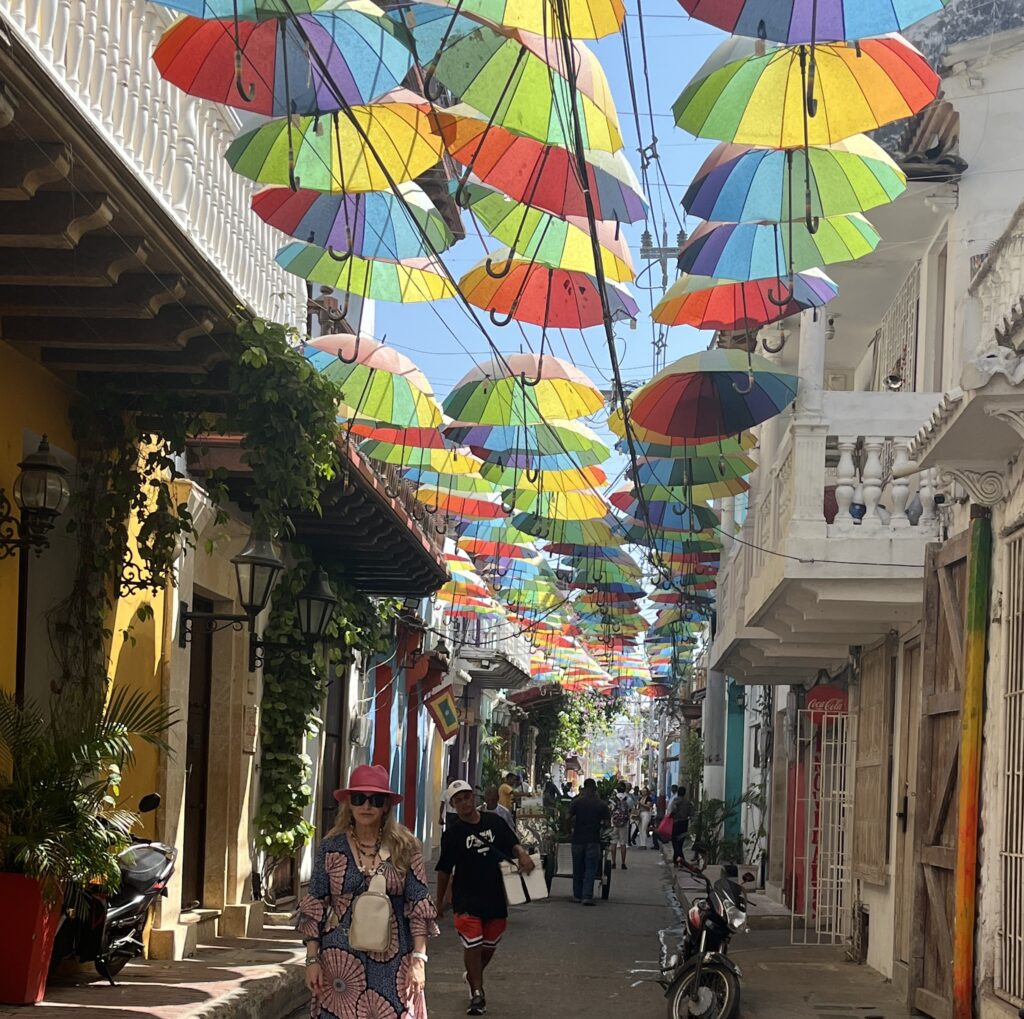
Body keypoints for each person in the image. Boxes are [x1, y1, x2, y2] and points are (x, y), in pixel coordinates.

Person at [298, 764, 438, 1019]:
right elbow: (315, 903)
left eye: (376, 800)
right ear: (349, 803)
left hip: (394, 962)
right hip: (340, 962)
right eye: (359, 798)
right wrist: (311, 960)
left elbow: (419, 907)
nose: (367, 806)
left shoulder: (405, 847)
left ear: (386, 806)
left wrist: (419, 960)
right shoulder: (331, 847)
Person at [436, 779, 535, 1016]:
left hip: (495, 895)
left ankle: (472, 974)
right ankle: (477, 994)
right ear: (452, 805)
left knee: (489, 945)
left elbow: (513, 844)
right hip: (466, 897)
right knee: (474, 942)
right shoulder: (453, 834)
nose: (463, 803)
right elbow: (444, 870)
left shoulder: (495, 822)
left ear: (474, 798)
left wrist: (522, 854)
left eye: (466, 797)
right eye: (457, 800)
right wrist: (438, 903)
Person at [568, 778, 610, 905]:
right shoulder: (602, 804)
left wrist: (569, 831)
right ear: (595, 788)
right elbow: (608, 823)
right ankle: (586, 896)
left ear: (584, 788)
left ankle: (577, 895)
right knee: (590, 868)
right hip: (593, 839)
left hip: (577, 839)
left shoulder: (576, 802)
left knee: (577, 868)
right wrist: (601, 827)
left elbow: (567, 817)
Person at [610, 781, 635, 870]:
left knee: (613, 843)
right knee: (623, 843)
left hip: (614, 822)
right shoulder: (628, 799)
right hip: (624, 823)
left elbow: (611, 810)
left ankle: (613, 862)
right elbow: (631, 810)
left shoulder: (613, 799)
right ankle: (623, 863)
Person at [671, 785, 695, 868]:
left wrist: (670, 816)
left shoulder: (675, 800)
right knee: (680, 843)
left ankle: (680, 860)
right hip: (684, 823)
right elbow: (692, 814)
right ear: (685, 793)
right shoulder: (688, 802)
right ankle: (676, 861)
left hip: (676, 823)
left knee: (675, 842)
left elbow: (673, 810)